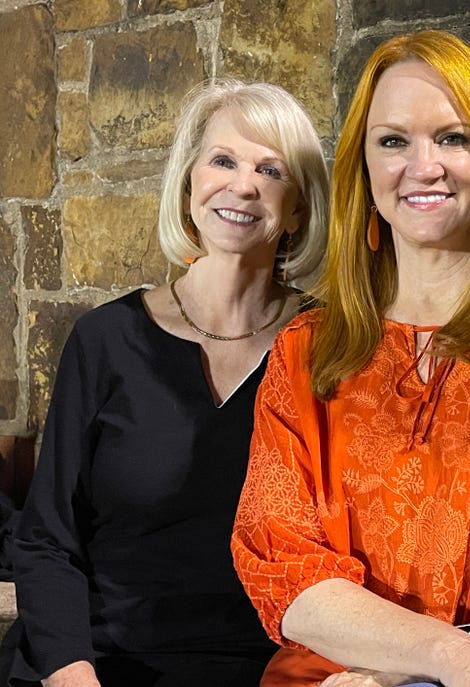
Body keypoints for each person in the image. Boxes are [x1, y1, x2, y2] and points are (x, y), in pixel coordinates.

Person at [230, 29, 470, 687]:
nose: (424, 165)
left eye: (453, 137)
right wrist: (441, 658)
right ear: (363, 168)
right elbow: (284, 564)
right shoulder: (306, 350)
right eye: (393, 141)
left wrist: (462, 654)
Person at [8, 79, 330, 687]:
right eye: (223, 160)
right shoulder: (104, 339)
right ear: (189, 187)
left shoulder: (330, 345)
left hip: (268, 671)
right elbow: (45, 538)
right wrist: (71, 674)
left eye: (271, 170)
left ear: (297, 209)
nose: (243, 185)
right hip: (99, 665)